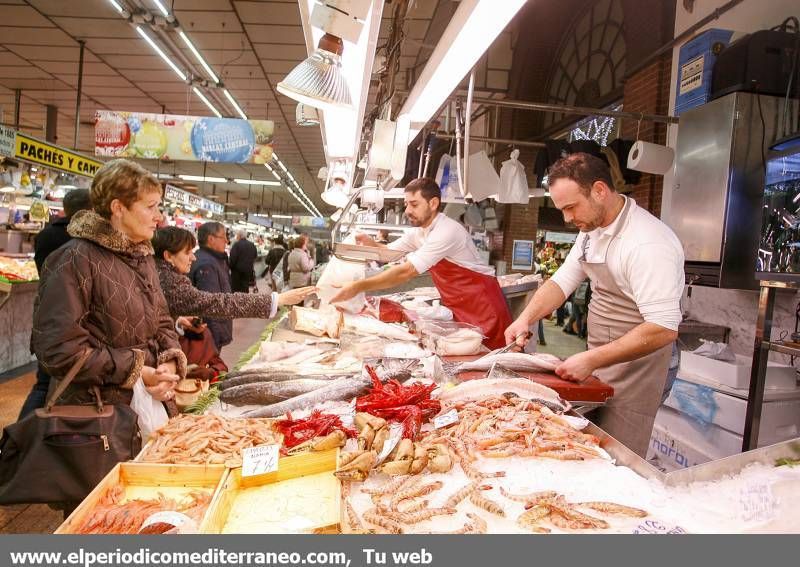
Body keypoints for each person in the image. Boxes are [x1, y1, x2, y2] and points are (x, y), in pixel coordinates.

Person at [504, 153, 684, 457]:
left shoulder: (647, 243)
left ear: (599, 190)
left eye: (571, 207)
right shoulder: (591, 230)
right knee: (589, 446)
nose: (566, 219)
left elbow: (664, 328)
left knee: (618, 456)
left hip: (640, 366)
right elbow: (561, 282)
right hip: (602, 358)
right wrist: (525, 318)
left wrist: (592, 359)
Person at [31, 158, 184, 414]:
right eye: (150, 207)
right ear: (118, 208)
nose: (159, 217)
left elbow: (162, 321)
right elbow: (58, 350)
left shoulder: (143, 256)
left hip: (145, 409)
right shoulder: (73, 259)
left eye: (159, 207)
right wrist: (137, 371)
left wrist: (167, 364)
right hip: (97, 419)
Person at [331, 178, 512, 349]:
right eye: (406, 204)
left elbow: (406, 272)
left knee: (491, 360)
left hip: (484, 309)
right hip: (460, 307)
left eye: (414, 204)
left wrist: (357, 286)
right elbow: (389, 254)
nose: (408, 210)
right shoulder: (418, 232)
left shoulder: (447, 231)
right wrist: (370, 243)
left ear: (433, 204)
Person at [19, 189, 92, 418]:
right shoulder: (83, 240)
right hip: (74, 320)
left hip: (45, 313)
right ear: (91, 209)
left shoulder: (46, 235)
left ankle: (17, 440)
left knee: (43, 383)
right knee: (57, 385)